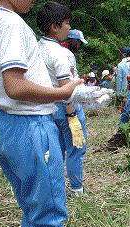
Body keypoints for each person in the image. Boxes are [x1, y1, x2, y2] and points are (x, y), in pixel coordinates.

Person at [0, 0, 86, 227]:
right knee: (49, 203)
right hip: (30, 126)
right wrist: (61, 92)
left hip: (10, 125)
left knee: (32, 203)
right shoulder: (12, 24)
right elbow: (15, 86)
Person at [38, 1, 88, 197]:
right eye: (67, 23)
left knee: (55, 150)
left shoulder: (37, 48)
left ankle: (55, 187)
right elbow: (66, 89)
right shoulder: (60, 54)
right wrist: (73, 114)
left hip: (47, 107)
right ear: (55, 26)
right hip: (66, 108)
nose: (69, 27)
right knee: (76, 148)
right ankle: (77, 189)